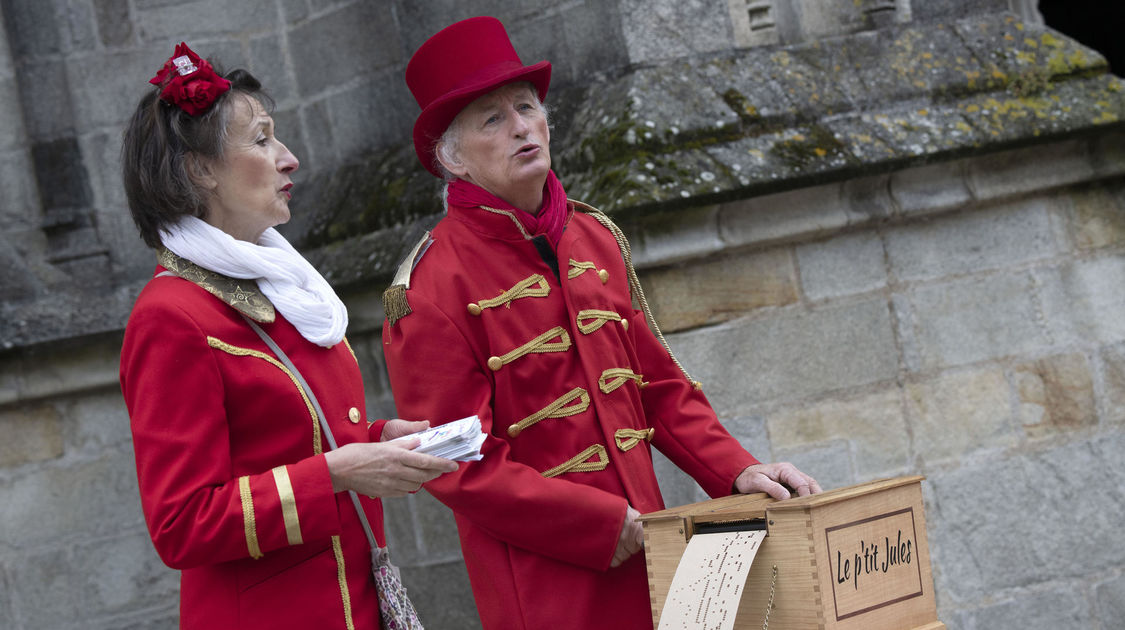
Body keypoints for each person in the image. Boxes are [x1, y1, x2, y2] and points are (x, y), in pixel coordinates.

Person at [381, 17, 823, 630]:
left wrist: (738, 470)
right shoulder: (430, 285)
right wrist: (592, 524)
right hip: (547, 590)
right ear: (452, 160)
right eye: (492, 119)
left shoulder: (595, 237)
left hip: (656, 559)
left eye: (527, 107)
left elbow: (660, 389)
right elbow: (458, 464)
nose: (520, 127)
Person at [119, 42, 457, 629]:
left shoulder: (281, 285)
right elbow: (181, 524)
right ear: (199, 170)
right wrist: (339, 473)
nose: (289, 157)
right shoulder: (169, 315)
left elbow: (289, 443)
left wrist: (382, 440)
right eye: (261, 139)